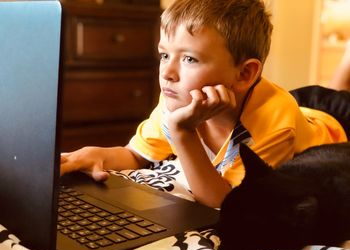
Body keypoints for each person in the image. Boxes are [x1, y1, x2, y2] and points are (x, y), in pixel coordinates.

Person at [61, 0, 348, 208]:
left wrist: (182, 132)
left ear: (245, 73)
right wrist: (92, 154)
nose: (168, 72)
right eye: (164, 55)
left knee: (338, 93)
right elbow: (138, 154)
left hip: (333, 127)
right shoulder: (179, 94)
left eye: (189, 59)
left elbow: (225, 200)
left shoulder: (275, 124)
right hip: (295, 106)